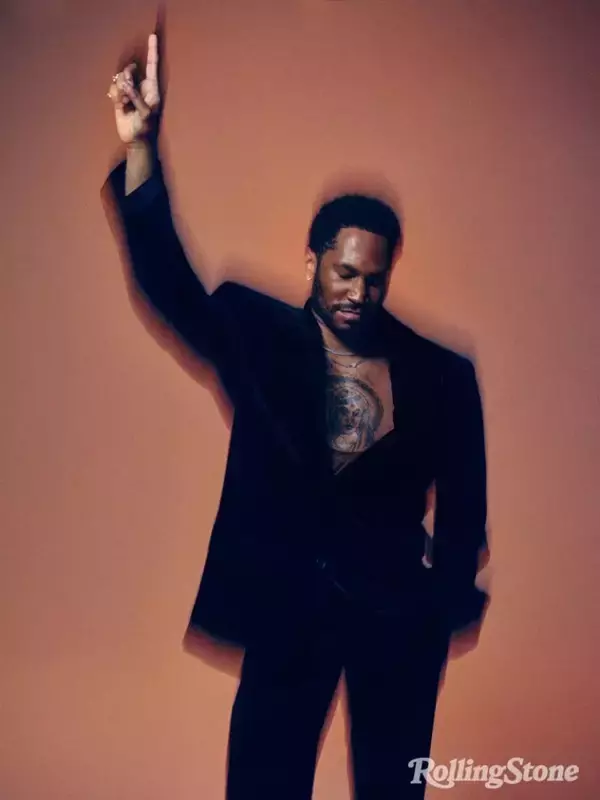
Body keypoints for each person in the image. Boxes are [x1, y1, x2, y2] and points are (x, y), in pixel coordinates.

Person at [105, 32, 489, 800]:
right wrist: (142, 146)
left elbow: (464, 514)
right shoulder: (258, 337)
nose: (357, 293)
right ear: (311, 261)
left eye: (374, 279)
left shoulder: (442, 374)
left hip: (395, 624)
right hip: (287, 612)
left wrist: (434, 617)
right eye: (344, 272)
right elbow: (169, 282)